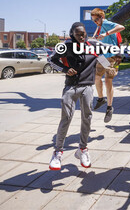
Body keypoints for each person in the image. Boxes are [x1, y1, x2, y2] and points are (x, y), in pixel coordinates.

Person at [48, 22, 101, 170]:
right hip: (71, 87)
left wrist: (109, 67)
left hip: (87, 87)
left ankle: (82, 149)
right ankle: (57, 152)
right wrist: (65, 69)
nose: (81, 36)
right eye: (78, 34)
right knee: (66, 118)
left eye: (83, 33)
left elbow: (100, 58)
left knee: (87, 117)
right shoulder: (67, 46)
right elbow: (51, 60)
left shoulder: (92, 46)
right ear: (72, 34)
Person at [90, 8, 125, 123]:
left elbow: (121, 27)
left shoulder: (105, 23)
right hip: (103, 57)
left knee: (108, 81)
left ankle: (109, 108)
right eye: (93, 20)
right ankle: (101, 99)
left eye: (96, 20)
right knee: (96, 77)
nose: (95, 22)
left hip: (113, 56)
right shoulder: (99, 27)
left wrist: (106, 33)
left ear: (101, 17)